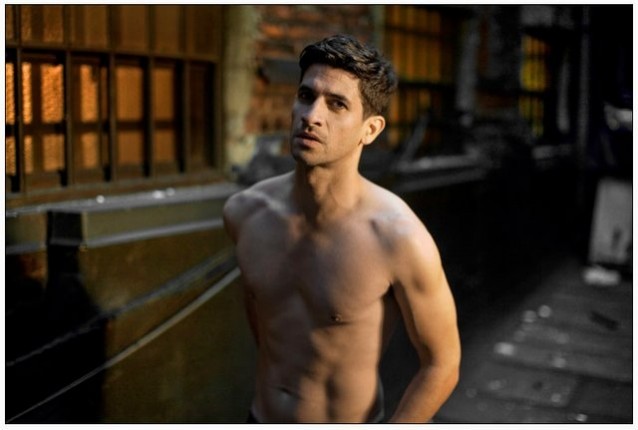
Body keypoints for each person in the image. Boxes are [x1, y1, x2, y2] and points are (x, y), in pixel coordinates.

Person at [223, 34, 460, 423]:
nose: (312, 115)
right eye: (306, 96)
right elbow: (266, 327)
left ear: (371, 129)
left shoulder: (399, 238)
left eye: (337, 104)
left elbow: (443, 363)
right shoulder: (245, 213)